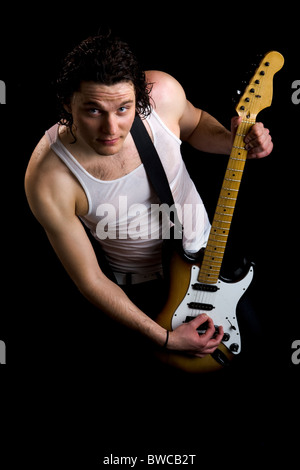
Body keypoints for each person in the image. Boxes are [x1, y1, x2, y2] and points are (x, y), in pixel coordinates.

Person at [24, 34, 273, 364]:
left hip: (211, 261)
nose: (111, 128)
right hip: (148, 295)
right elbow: (90, 279)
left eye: (123, 108)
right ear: (68, 103)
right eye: (94, 110)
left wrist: (235, 142)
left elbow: (195, 124)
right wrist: (167, 340)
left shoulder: (163, 94)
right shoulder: (49, 177)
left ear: (139, 96)